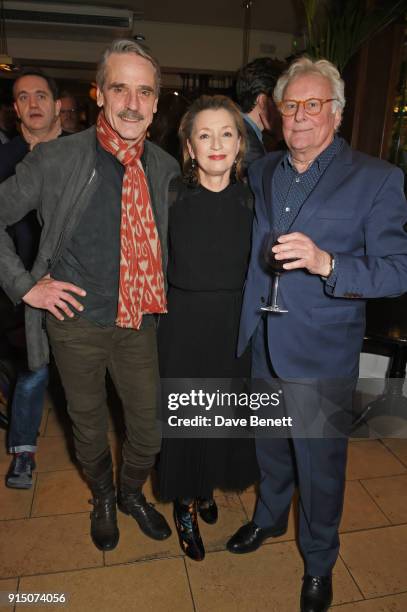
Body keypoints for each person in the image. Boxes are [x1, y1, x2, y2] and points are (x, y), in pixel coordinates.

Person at [226, 57, 407, 612]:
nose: (301, 115)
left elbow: (397, 270)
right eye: (291, 105)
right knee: (270, 448)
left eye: (314, 104)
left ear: (337, 112)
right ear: (277, 113)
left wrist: (329, 263)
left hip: (323, 351)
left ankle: (320, 560)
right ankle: (268, 518)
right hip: (262, 337)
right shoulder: (263, 170)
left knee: (320, 465)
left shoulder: (377, 178)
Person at [0, 40, 179, 552]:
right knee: (88, 429)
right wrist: (26, 285)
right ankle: (102, 496)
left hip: (138, 321)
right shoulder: (56, 159)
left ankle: (129, 493)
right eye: (120, 87)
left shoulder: (164, 168)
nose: (132, 102)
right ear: (99, 94)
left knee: (148, 434)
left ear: (156, 100)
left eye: (144, 91)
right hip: (75, 324)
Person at [157, 95, 259, 561]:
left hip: (235, 326)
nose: (215, 143)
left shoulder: (253, 199)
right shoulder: (172, 196)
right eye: (204, 134)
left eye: (226, 133)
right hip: (183, 324)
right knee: (187, 420)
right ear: (189, 147)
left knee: (222, 417)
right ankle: (184, 504)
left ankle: (204, 489)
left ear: (240, 143)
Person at [3, 69, 62, 489]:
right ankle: (23, 450)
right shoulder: (5, 162)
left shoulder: (84, 154)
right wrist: (23, 286)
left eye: (41, 95)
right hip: (21, 287)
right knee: (34, 370)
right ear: (16, 109)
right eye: (24, 97)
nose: (34, 103)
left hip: (77, 286)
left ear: (58, 104)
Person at [235, 57, 282, 168]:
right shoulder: (249, 145)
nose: (284, 109)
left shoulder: (238, 128)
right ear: (262, 101)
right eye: (281, 100)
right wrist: (280, 137)